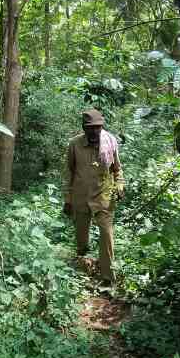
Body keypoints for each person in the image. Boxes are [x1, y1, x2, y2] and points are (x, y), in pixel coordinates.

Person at [63, 108, 124, 284]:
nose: (94, 131)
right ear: (83, 128)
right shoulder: (74, 144)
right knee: (81, 238)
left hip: (104, 197)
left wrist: (119, 185)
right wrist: (68, 199)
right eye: (90, 128)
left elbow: (117, 169)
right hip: (80, 197)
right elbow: (69, 172)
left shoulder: (110, 142)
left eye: (97, 127)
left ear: (102, 127)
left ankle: (107, 277)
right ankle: (83, 272)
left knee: (106, 236)